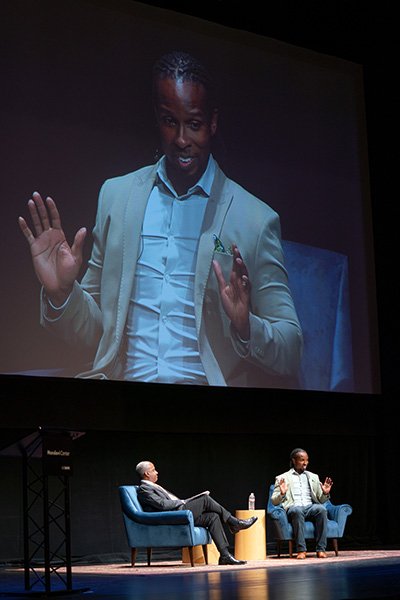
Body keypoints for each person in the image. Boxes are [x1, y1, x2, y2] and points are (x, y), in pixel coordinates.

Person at [18, 51, 303, 386]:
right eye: (170, 122)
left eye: (194, 124)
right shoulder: (117, 197)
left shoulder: (255, 219)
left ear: (213, 122)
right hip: (125, 403)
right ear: (157, 118)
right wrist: (62, 294)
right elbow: (98, 336)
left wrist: (246, 326)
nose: (182, 140)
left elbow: (291, 350)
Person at [135, 460, 257, 565]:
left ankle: (224, 555)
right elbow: (162, 505)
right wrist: (182, 502)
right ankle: (234, 522)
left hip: (178, 512)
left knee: (213, 517)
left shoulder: (154, 486)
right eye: (154, 470)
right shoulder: (144, 489)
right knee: (205, 499)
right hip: (173, 514)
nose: (157, 472)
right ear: (147, 473)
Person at [271, 448, 333, 559]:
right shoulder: (282, 478)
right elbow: (274, 501)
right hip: (293, 508)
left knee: (322, 509)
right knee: (297, 510)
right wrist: (282, 493)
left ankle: (321, 549)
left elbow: (321, 500)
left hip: (310, 507)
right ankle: (301, 550)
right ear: (294, 461)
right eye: (302, 460)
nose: (305, 463)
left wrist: (325, 493)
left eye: (307, 460)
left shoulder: (313, 477)